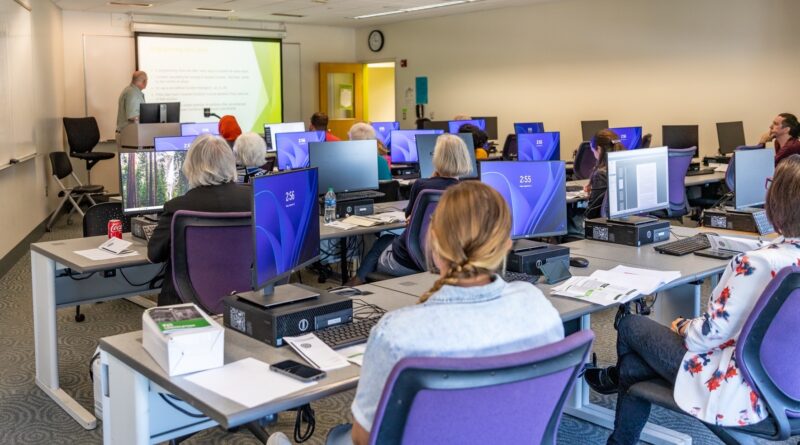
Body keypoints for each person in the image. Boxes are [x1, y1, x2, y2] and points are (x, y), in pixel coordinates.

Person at [325, 181, 565, 445]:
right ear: (506, 244)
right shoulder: (539, 306)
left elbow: (364, 438)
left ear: (434, 242)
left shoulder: (397, 333)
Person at [585, 154, 800, 444]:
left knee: (631, 326)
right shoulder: (782, 260)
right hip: (788, 383)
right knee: (634, 368)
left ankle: (617, 397)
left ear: (779, 201)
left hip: (744, 389)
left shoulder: (755, 264)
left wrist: (684, 326)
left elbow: (704, 338)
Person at [349, 134, 472, 284]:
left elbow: (410, 219)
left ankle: (356, 283)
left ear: (437, 159)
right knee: (387, 240)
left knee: (382, 241)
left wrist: (432, 178)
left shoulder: (422, 185)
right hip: (442, 263)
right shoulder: (468, 193)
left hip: (406, 262)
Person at [147, 134, 251, 306]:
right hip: (247, 299)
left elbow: (154, 255)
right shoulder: (256, 198)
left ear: (191, 167)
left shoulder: (177, 207)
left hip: (186, 303)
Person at [584, 129, 625, 219]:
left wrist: (585, 203)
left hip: (603, 224)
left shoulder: (601, 174)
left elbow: (591, 213)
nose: (594, 155)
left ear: (598, 149)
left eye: (593, 151)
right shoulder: (625, 167)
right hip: (624, 219)